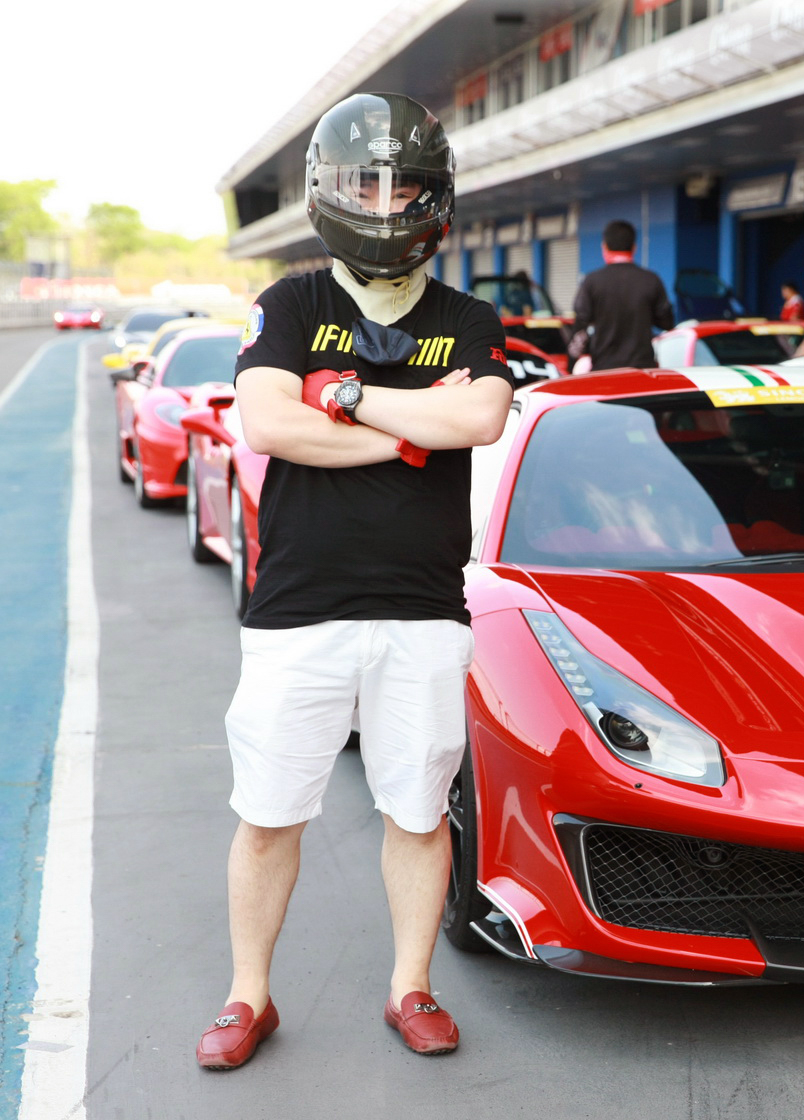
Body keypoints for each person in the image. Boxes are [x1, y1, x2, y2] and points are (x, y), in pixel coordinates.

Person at [196, 92, 513, 1071]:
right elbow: (268, 424)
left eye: (402, 183)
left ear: (434, 197)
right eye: (362, 182)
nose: (382, 201)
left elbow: (481, 422)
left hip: (423, 608)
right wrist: (410, 431)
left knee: (418, 813)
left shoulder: (469, 315)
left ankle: (409, 986)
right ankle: (249, 995)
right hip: (299, 609)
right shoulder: (293, 302)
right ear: (329, 193)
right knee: (268, 814)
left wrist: (339, 395)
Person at [571, 220, 674, 370]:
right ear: (634, 248)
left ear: (604, 247)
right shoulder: (651, 280)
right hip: (642, 369)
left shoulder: (592, 281)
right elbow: (667, 322)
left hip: (604, 369)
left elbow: (580, 323)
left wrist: (572, 362)